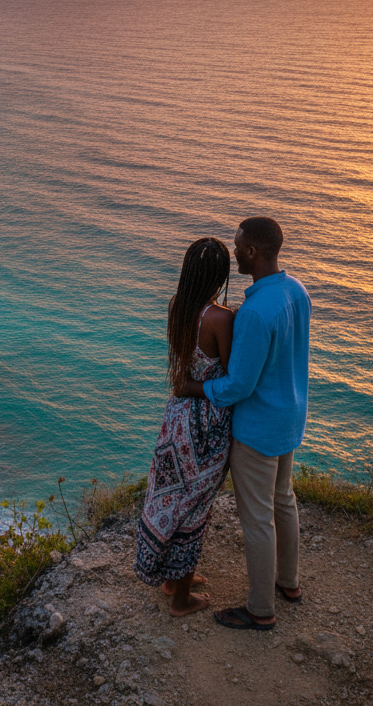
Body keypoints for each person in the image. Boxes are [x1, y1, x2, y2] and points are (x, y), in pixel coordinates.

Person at [179, 216, 311, 632]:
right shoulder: (296, 291)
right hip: (290, 416)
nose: (233, 251)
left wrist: (194, 388)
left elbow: (238, 385)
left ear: (252, 252)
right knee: (283, 501)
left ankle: (260, 609)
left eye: (238, 246)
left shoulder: (253, 313)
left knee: (257, 518)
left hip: (257, 427)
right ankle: (288, 583)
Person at [134, 237, 235, 616]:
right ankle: (181, 600)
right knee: (194, 507)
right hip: (206, 424)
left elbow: (185, 365)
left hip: (176, 418)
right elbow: (233, 375)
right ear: (220, 275)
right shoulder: (220, 319)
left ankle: (172, 577)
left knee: (171, 496)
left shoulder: (178, 306)